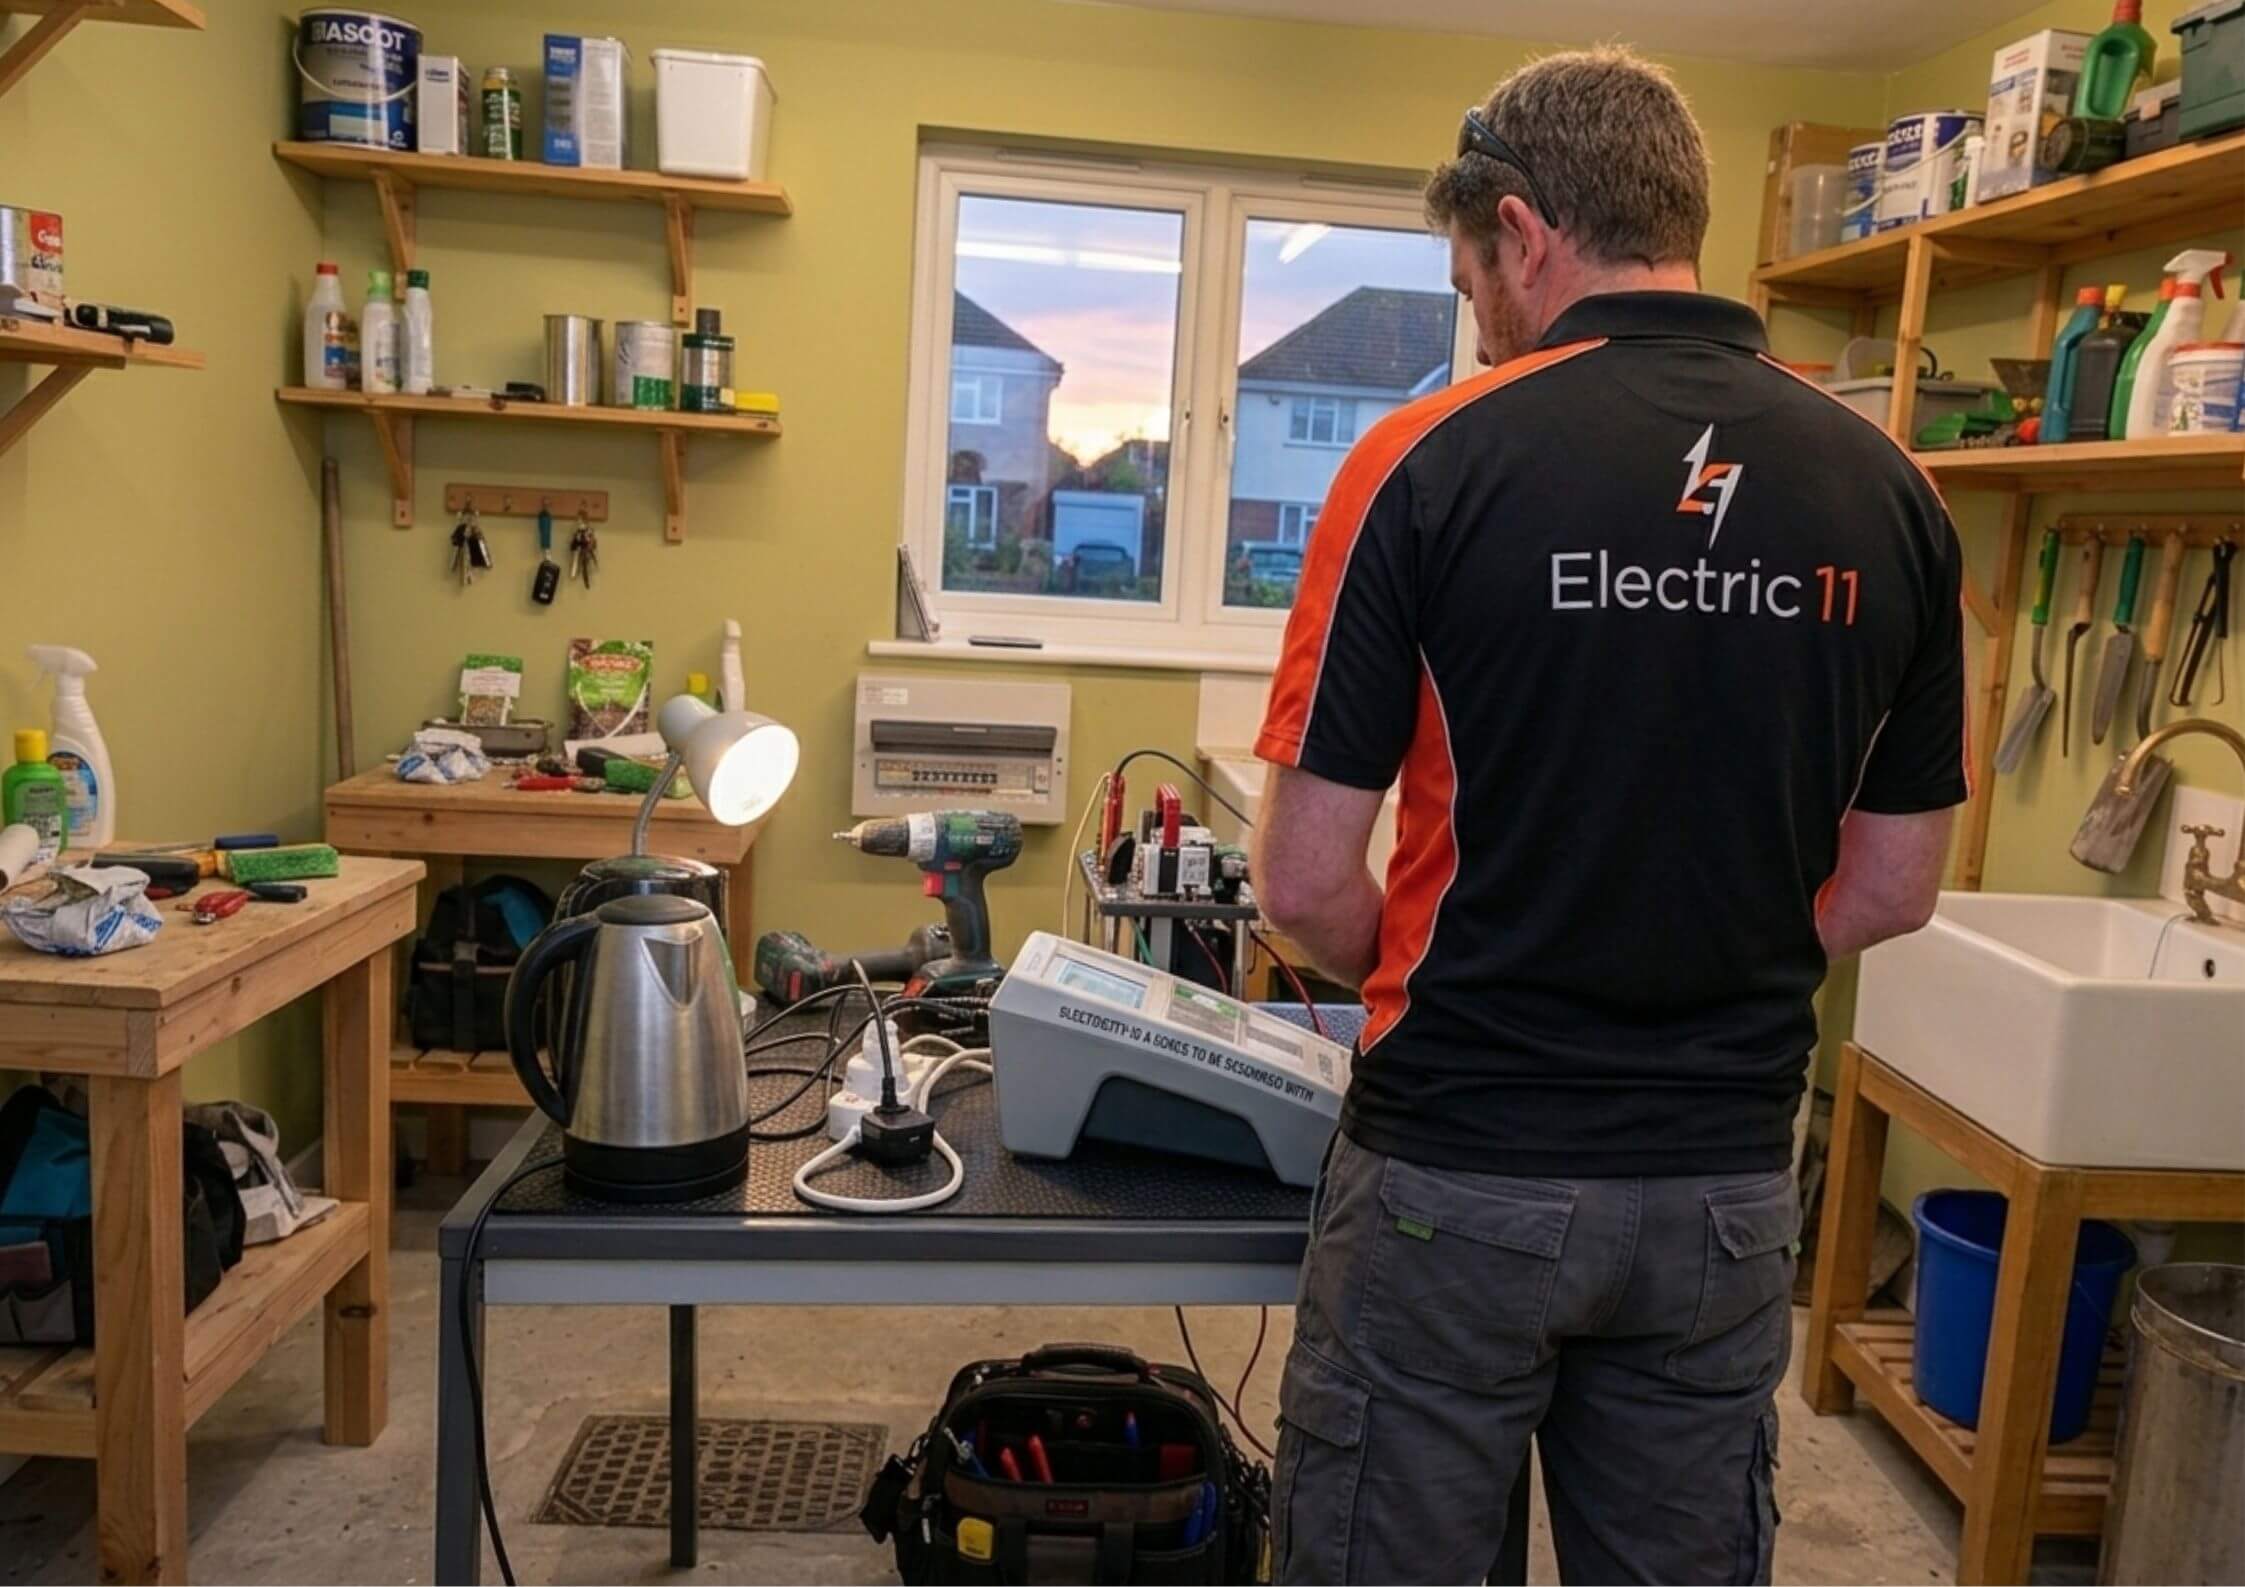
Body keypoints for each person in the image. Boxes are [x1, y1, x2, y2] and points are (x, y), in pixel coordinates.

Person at [1251, 45, 1967, 1586]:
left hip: (1459, 1169)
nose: (1477, 316)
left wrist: (1472, 971)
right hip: (1720, 1188)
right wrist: (1710, 951)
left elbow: (1304, 889)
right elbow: (1897, 884)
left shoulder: (1421, 460)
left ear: (1521, 232)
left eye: (1469, 276)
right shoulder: (1885, 486)